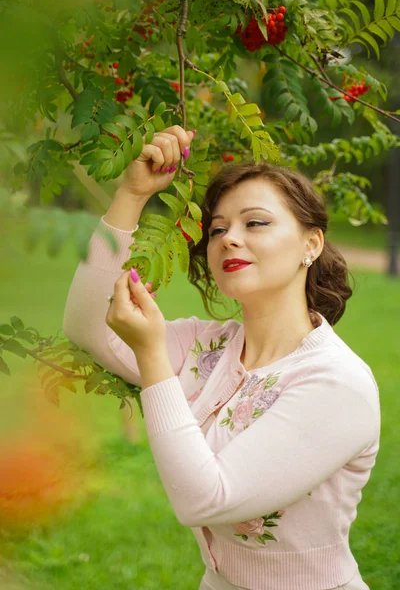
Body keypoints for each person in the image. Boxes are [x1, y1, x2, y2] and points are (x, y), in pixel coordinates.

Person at [63, 125, 380, 590]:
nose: (229, 238)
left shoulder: (336, 383)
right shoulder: (208, 346)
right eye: (217, 229)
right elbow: (86, 326)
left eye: (255, 222)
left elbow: (205, 499)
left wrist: (151, 354)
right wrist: (130, 195)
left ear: (310, 245)